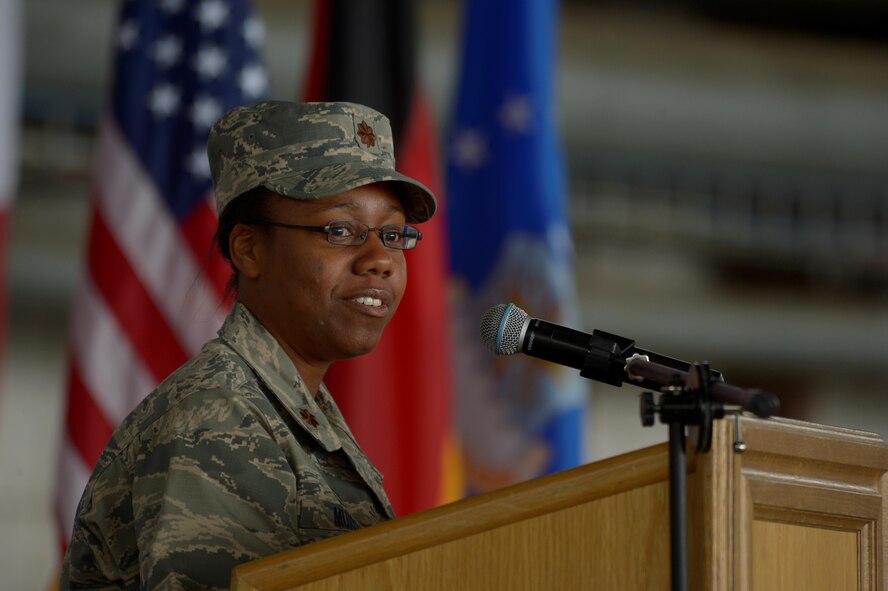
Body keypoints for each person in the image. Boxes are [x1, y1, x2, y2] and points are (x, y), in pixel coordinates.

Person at [60, 100, 437, 589]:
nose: (380, 259)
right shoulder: (219, 415)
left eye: (393, 234)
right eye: (341, 230)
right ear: (249, 249)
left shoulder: (287, 406)